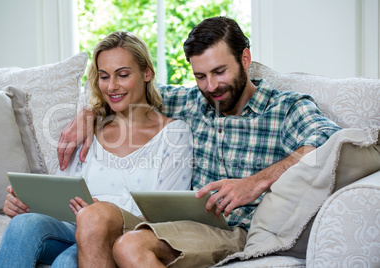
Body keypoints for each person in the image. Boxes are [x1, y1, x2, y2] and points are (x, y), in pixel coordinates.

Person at [57, 17, 341, 267]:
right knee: (104, 225)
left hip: (237, 230)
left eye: (220, 72)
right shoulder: (192, 101)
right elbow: (124, 92)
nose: (211, 86)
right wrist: (90, 112)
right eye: (200, 76)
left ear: (245, 58)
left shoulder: (285, 108)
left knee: (130, 246)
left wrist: (255, 182)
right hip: (182, 226)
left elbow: (330, 141)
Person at [0, 31, 193, 267]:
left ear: (147, 73)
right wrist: (25, 204)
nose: (112, 86)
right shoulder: (89, 130)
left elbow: (165, 216)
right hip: (70, 227)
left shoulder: (173, 134)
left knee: (66, 262)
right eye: (104, 76)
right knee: (22, 224)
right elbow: (59, 191)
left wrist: (101, 213)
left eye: (123, 74)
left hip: (124, 234)